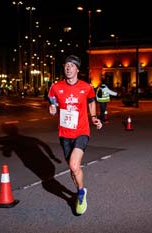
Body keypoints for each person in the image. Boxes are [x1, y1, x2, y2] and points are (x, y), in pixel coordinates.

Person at [48, 55, 102, 215]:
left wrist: (93, 118)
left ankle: (80, 193)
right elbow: (52, 100)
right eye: (66, 65)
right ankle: (81, 189)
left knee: (74, 165)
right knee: (73, 170)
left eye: (71, 65)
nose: (68, 68)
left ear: (77, 69)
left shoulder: (87, 87)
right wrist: (52, 108)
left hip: (81, 131)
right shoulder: (56, 87)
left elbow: (91, 101)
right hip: (64, 133)